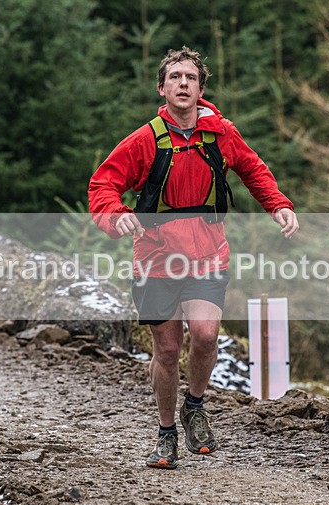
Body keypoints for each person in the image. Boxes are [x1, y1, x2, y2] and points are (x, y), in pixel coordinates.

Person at [87, 46, 298, 469]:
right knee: (166, 351)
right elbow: (102, 185)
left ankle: (195, 406)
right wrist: (117, 217)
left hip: (207, 255)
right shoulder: (144, 140)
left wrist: (277, 204)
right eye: (175, 77)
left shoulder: (221, 133)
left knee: (204, 336)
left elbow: (254, 169)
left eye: (190, 78)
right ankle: (166, 434)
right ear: (162, 88)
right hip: (155, 258)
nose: (183, 83)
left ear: (201, 89)